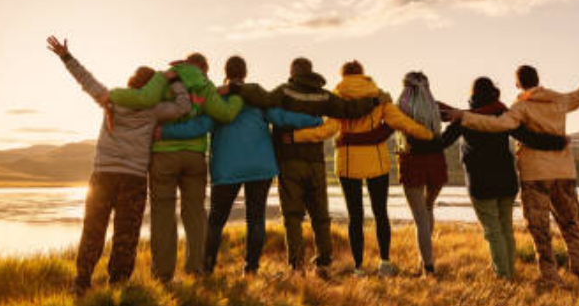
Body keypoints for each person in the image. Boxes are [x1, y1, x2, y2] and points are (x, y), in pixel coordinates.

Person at [46, 36, 191, 295]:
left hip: (103, 175)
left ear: (131, 82)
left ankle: (82, 282)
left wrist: (66, 57)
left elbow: (85, 80)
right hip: (133, 178)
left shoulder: (110, 99)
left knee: (93, 229)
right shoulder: (155, 109)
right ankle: (119, 285)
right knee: (126, 234)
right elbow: (184, 107)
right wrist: (174, 80)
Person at [446, 54, 579, 291]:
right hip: (564, 173)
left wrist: (464, 117)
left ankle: (550, 279)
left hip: (535, 175)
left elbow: (497, 125)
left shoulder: (521, 107)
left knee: (541, 231)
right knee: (571, 226)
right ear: (538, 80)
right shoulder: (560, 100)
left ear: (518, 84)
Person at [157, 56, 324, 275]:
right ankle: (251, 268)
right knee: (255, 218)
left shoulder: (216, 98)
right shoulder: (255, 97)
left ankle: (207, 267)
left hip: (228, 168)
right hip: (260, 167)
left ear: (225, 72)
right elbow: (282, 117)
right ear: (245, 73)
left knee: (216, 220)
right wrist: (315, 120)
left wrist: (165, 132)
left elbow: (199, 126)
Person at [106, 52, 244, 282]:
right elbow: (225, 114)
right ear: (203, 68)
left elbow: (143, 99)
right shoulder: (206, 85)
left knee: (162, 215)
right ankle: (196, 270)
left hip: (163, 156)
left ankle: (163, 274)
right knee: (195, 215)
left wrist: (109, 96)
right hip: (194, 157)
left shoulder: (163, 78)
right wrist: (237, 95)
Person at [234, 57, 379, 275]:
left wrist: (237, 87)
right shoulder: (323, 95)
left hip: (289, 161)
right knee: (320, 214)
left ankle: (297, 264)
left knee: (292, 216)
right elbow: (348, 109)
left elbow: (262, 98)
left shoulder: (285, 91)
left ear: (293, 72)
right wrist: (372, 102)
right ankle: (324, 260)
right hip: (316, 163)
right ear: (310, 73)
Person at [291, 61, 434, 276]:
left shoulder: (337, 97)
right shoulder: (379, 96)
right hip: (377, 163)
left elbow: (326, 130)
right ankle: (384, 263)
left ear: (343, 75)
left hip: (348, 165)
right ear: (362, 74)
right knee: (380, 214)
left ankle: (359, 267)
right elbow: (402, 122)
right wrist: (429, 134)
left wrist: (295, 136)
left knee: (355, 216)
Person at [442, 77, 568, 281]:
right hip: (506, 181)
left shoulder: (465, 118)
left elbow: (442, 142)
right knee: (506, 230)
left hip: (480, 183)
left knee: (493, 232)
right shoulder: (502, 113)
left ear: (472, 95)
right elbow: (528, 137)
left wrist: (414, 144)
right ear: (493, 92)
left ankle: (503, 277)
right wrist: (558, 141)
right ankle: (509, 272)